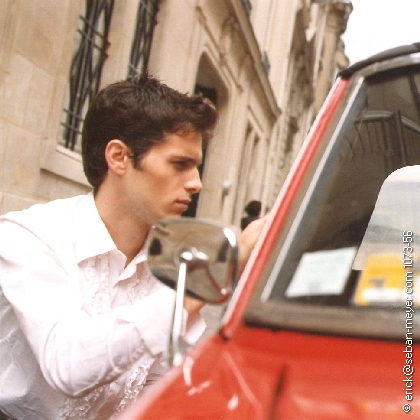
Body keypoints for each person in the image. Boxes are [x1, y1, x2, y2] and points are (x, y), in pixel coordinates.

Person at [0, 75, 264, 420]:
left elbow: (163, 390)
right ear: (119, 157)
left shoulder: (166, 261)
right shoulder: (29, 236)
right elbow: (67, 365)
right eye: (179, 164)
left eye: (196, 166)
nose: (196, 183)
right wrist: (209, 277)